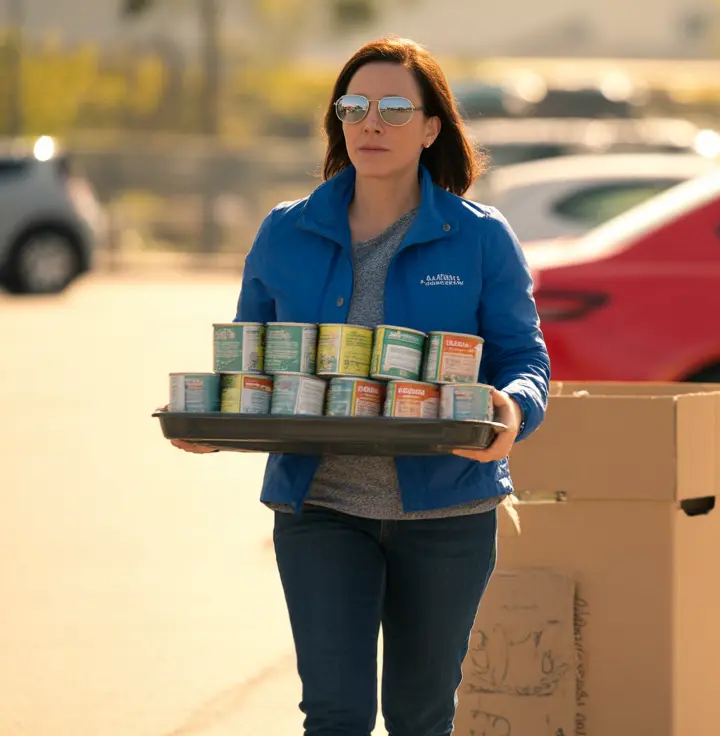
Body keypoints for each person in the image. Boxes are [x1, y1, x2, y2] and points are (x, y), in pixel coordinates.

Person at [167, 36, 550, 736]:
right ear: (338, 122)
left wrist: (511, 407)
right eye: (355, 106)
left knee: (420, 714)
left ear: (432, 127)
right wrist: (211, 417)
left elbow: (526, 357)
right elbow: (248, 362)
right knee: (335, 713)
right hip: (320, 507)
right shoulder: (284, 232)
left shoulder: (481, 238)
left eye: (396, 107)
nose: (372, 122)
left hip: (448, 516)